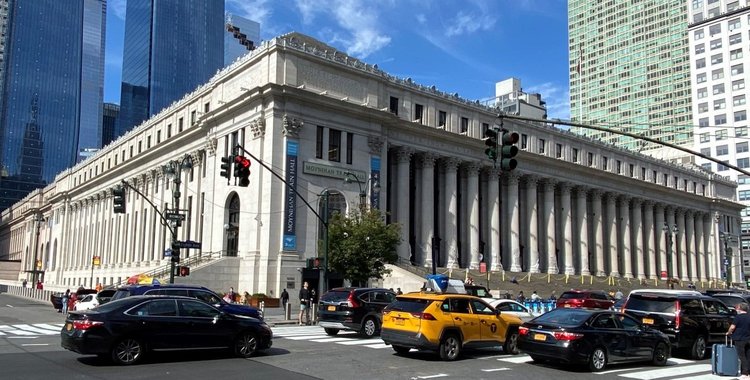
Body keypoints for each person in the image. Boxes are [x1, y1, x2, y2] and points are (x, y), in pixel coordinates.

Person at [727, 302, 750, 379]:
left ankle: (745, 373)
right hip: (748, 339)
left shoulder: (738, 317)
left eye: (737, 308)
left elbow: (732, 327)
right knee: (748, 356)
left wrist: (729, 332)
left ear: (740, 309)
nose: (736, 310)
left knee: (742, 356)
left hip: (740, 339)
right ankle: (748, 372)